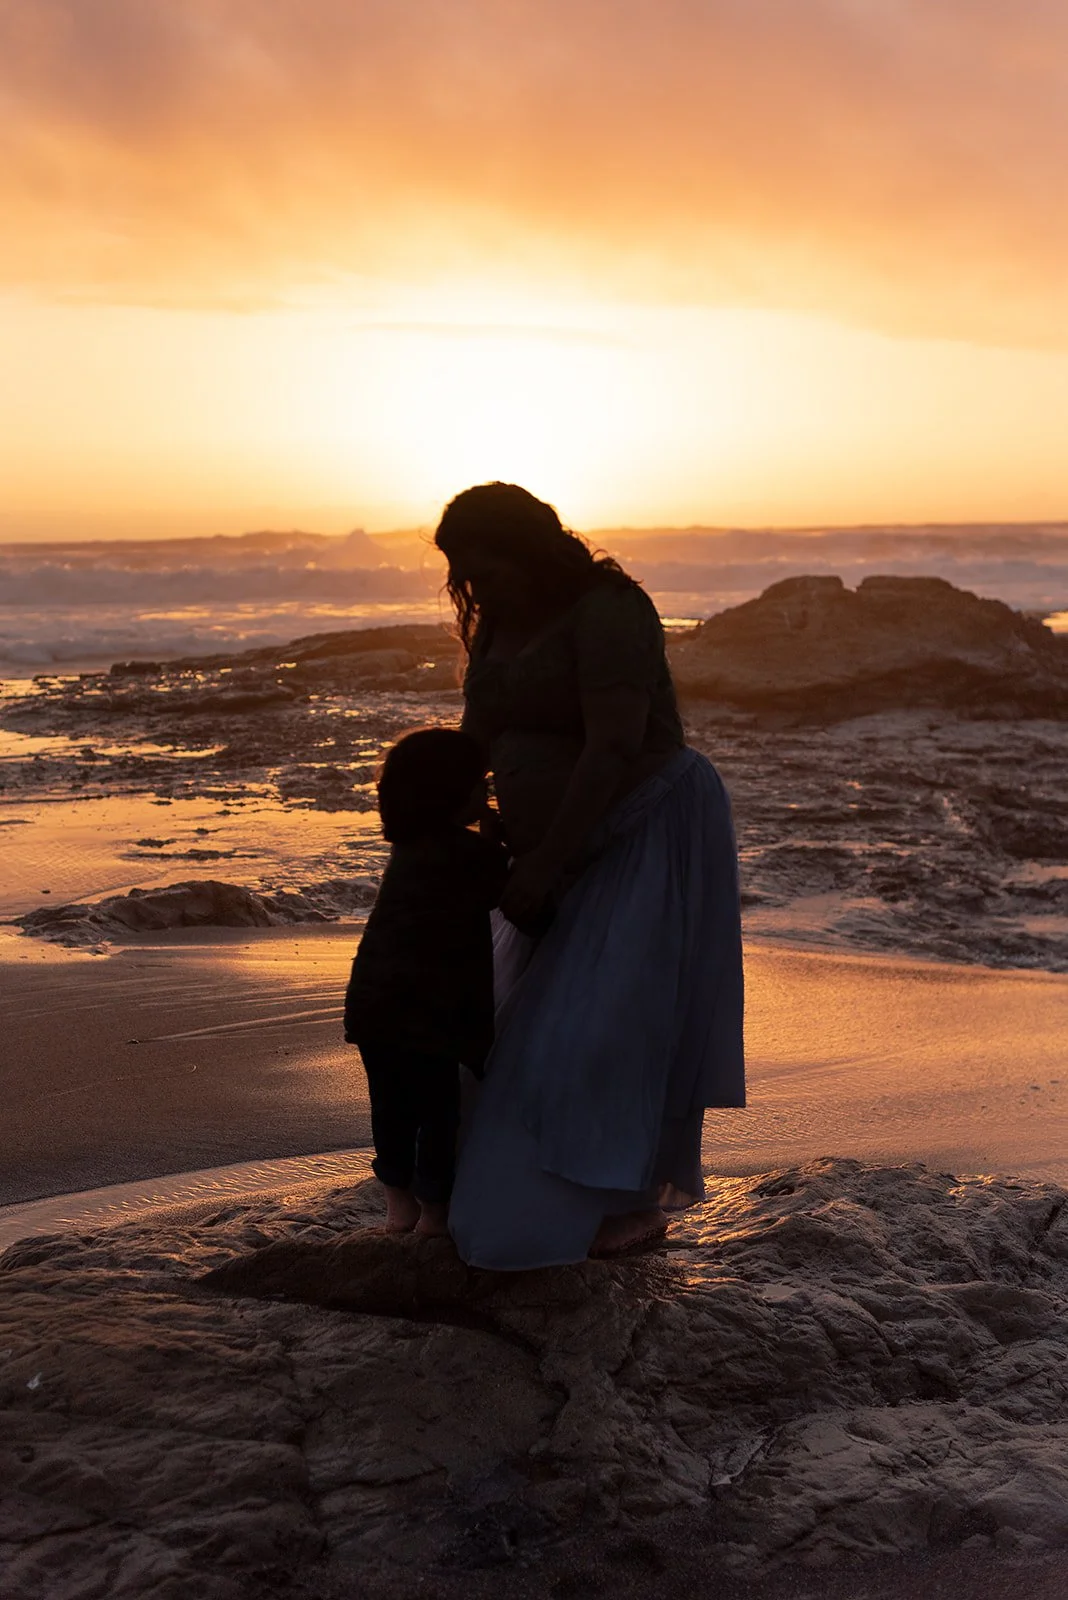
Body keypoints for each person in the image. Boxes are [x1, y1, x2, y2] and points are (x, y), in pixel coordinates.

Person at [435, 482, 745, 1268]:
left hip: (643, 824)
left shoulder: (610, 611)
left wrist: (549, 860)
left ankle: (628, 1201)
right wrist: (463, 822)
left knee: (606, 1026)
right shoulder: (504, 617)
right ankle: (561, 1183)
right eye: (463, 577)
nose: (475, 592)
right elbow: (479, 730)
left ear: (530, 552)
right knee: (523, 1033)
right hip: (542, 843)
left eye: (485, 571)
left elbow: (612, 747)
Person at [343, 728, 508, 1236]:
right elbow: (512, 898)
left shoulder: (411, 848)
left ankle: (399, 1208)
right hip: (430, 1011)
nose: (487, 793)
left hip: (376, 1002)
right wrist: (499, 840)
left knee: (390, 1110)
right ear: (453, 794)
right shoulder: (469, 855)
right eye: (480, 785)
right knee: (438, 1113)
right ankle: (434, 1213)